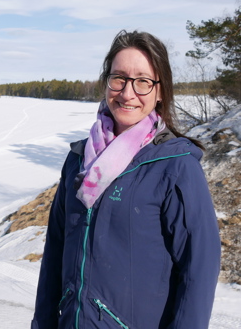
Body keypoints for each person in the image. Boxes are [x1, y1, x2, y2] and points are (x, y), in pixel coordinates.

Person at [31, 30, 221, 329]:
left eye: (143, 81)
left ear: (160, 91)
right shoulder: (79, 160)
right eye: (119, 78)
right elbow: (55, 250)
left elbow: (198, 268)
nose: (128, 93)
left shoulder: (176, 166)